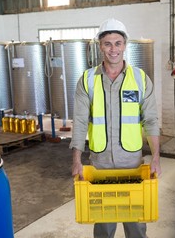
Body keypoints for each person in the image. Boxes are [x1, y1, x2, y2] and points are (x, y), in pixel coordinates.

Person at [69, 18, 161, 238]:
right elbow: (80, 121)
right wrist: (76, 160)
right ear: (100, 46)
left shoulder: (140, 79)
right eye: (108, 43)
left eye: (118, 43)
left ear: (125, 45)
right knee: (103, 223)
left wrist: (156, 156)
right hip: (100, 164)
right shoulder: (87, 80)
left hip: (131, 164)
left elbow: (151, 120)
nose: (113, 49)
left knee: (136, 224)